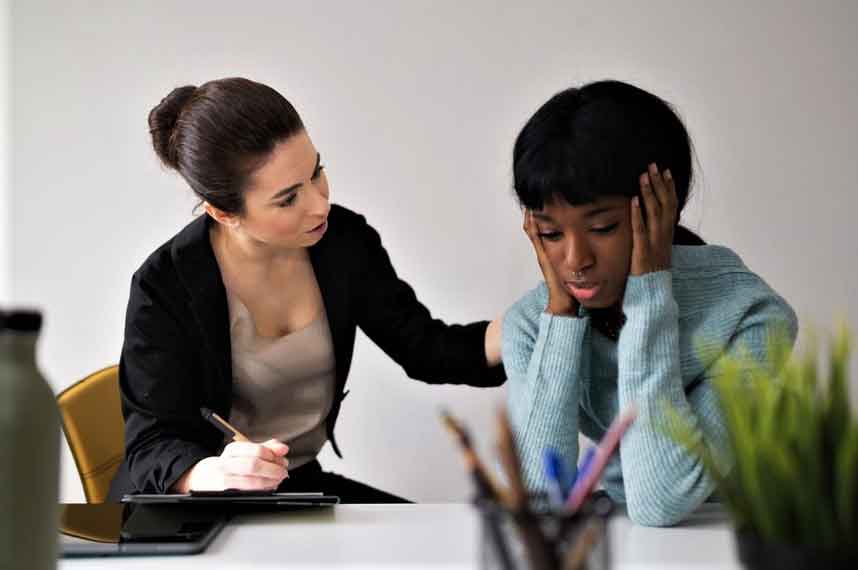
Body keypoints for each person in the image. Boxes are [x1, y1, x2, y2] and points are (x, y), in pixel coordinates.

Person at [108, 77, 505, 503]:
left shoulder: (344, 243)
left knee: (438, 545)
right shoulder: (164, 284)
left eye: (317, 172)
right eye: (287, 199)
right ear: (223, 213)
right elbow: (151, 446)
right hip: (191, 504)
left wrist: (529, 324)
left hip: (295, 488)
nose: (319, 204)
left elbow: (425, 347)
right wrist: (210, 471)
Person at [502, 80, 798, 526]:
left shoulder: (751, 319)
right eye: (550, 233)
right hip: (639, 549)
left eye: (602, 228)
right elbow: (539, 503)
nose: (575, 260)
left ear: (664, 208)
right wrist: (560, 320)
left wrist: (648, 296)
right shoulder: (533, 326)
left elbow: (662, 498)